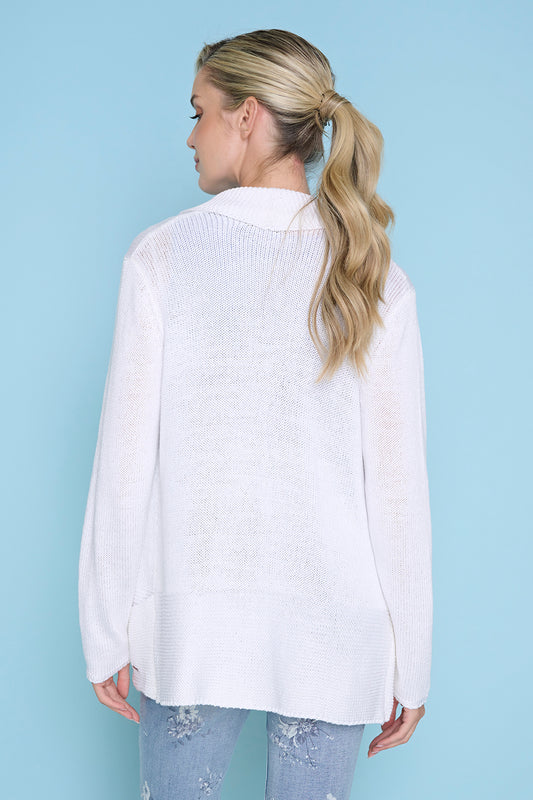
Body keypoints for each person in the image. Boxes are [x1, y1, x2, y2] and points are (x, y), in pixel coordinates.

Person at [78, 28, 433, 800]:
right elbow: (398, 491)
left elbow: (124, 465)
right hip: (336, 632)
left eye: (198, 111)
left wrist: (104, 628)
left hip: (191, 629)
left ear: (246, 116)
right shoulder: (373, 274)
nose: (189, 136)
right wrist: (412, 659)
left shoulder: (162, 256)